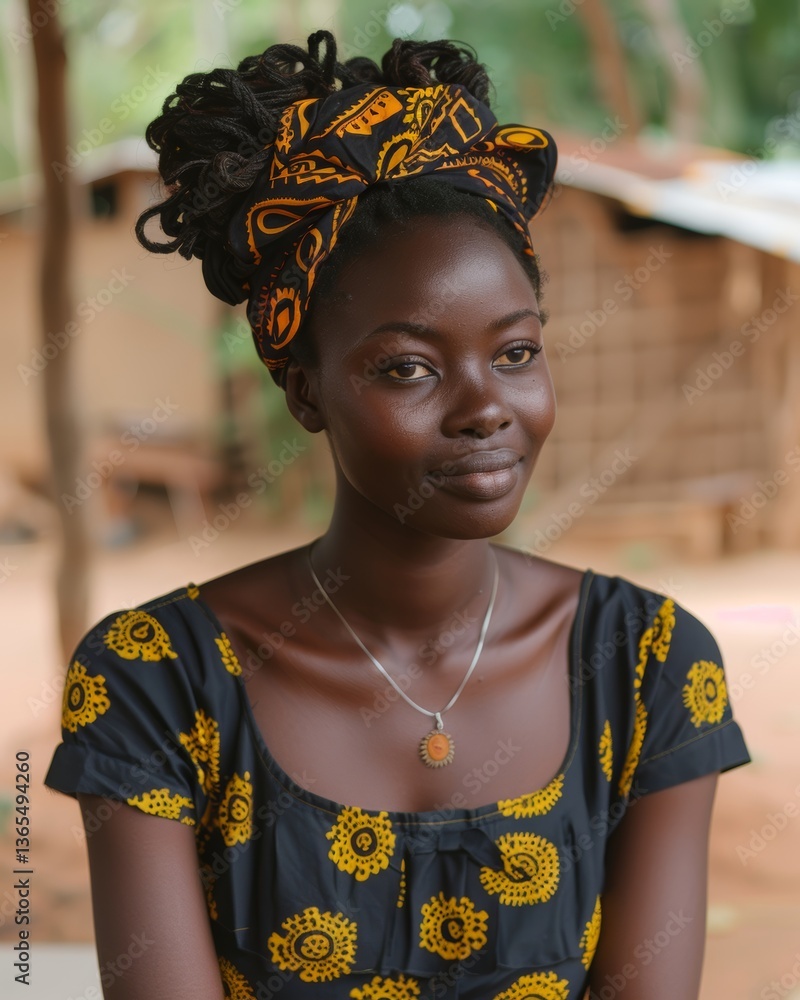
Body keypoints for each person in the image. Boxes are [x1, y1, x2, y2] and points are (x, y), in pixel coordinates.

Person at [45, 29, 751, 1000]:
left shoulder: (645, 665)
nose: (485, 407)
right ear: (305, 390)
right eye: (409, 368)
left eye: (515, 353)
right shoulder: (158, 682)